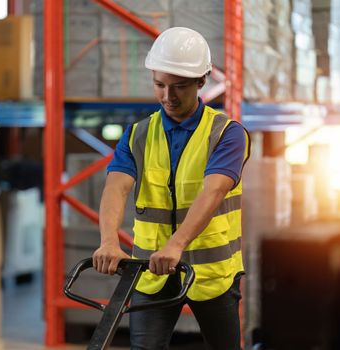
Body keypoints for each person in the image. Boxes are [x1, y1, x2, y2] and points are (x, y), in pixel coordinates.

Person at [92, 27, 250, 350]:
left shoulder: (227, 135)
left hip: (211, 275)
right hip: (152, 271)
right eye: (159, 85)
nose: (168, 97)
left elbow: (214, 192)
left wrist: (176, 244)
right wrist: (108, 241)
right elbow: (116, 187)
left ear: (201, 81)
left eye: (179, 87)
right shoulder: (138, 134)